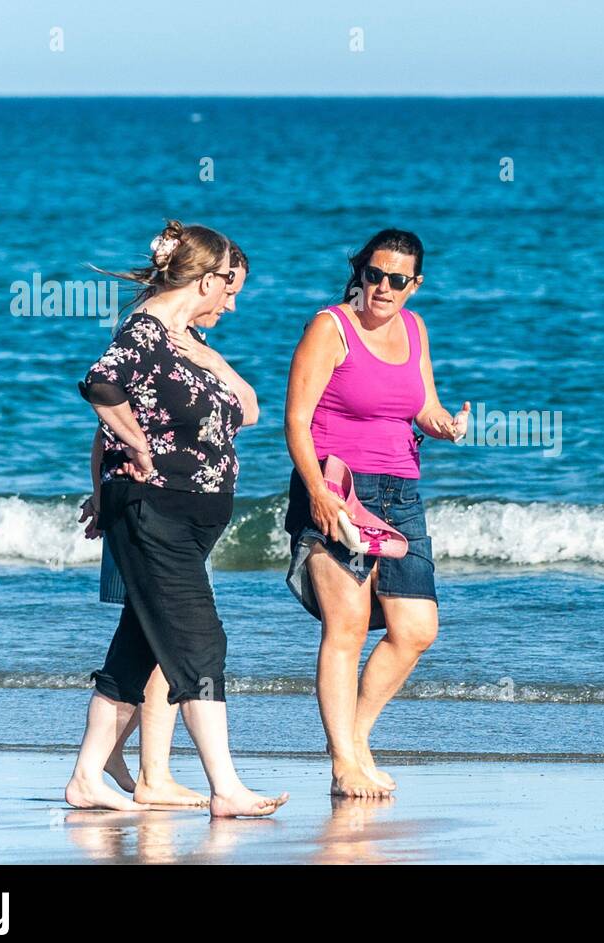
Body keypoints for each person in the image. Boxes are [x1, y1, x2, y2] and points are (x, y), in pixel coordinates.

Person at [65, 220, 285, 817]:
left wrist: (207, 356)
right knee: (199, 643)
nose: (231, 304)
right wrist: (134, 449)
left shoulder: (182, 341)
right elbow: (100, 387)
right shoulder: (142, 332)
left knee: (138, 651)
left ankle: (87, 779)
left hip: (185, 519)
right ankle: (226, 788)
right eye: (229, 290)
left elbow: (249, 410)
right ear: (207, 278)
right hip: (153, 511)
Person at [284, 229, 468, 798]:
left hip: (402, 493)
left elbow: (424, 406)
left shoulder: (415, 329)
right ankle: (344, 765)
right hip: (338, 486)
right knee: (347, 628)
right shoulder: (330, 327)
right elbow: (295, 418)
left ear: (415, 284)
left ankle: (357, 740)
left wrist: (445, 424)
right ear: (360, 272)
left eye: (396, 279)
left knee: (416, 629)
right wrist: (317, 492)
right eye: (374, 274)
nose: (382, 288)